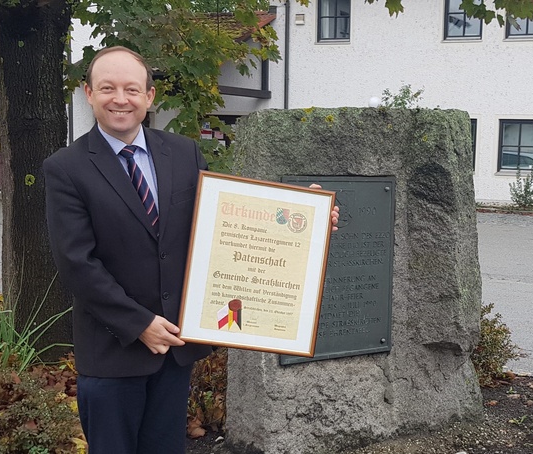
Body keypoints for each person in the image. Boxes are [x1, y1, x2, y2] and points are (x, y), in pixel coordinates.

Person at [44, 46, 338, 453]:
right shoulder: (66, 168)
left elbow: (227, 221)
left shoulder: (182, 152)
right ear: (89, 93)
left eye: (132, 89)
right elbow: (76, 263)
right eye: (107, 88)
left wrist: (308, 215)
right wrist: (138, 323)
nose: (120, 99)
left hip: (175, 349)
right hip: (113, 351)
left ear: (149, 96)